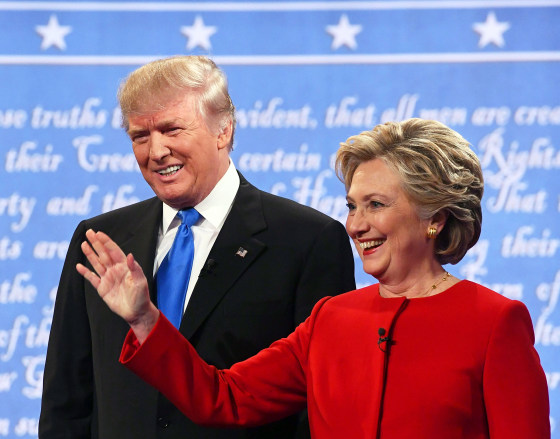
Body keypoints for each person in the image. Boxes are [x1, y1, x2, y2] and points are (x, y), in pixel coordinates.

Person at [76, 118, 551, 439]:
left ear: (436, 218)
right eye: (351, 205)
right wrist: (143, 318)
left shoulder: (495, 323)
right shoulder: (331, 319)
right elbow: (222, 398)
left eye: (376, 205)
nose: (355, 225)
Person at [39, 55, 356, 439]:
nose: (155, 152)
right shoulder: (100, 241)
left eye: (172, 130)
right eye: (141, 136)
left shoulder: (307, 240)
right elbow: (67, 400)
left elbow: (319, 404)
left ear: (223, 131)